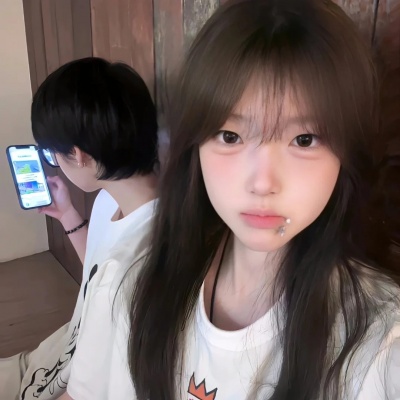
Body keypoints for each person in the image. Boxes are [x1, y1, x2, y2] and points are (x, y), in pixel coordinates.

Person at [60, 0, 400, 399]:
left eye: (304, 139)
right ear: (196, 147)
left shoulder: (379, 345)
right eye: (230, 136)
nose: (262, 183)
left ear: (346, 154)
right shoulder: (128, 279)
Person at [0, 57, 159, 400]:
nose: (53, 162)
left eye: (51, 153)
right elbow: (97, 274)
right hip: (57, 357)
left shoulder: (134, 267)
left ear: (79, 153)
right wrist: (67, 215)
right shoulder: (111, 200)